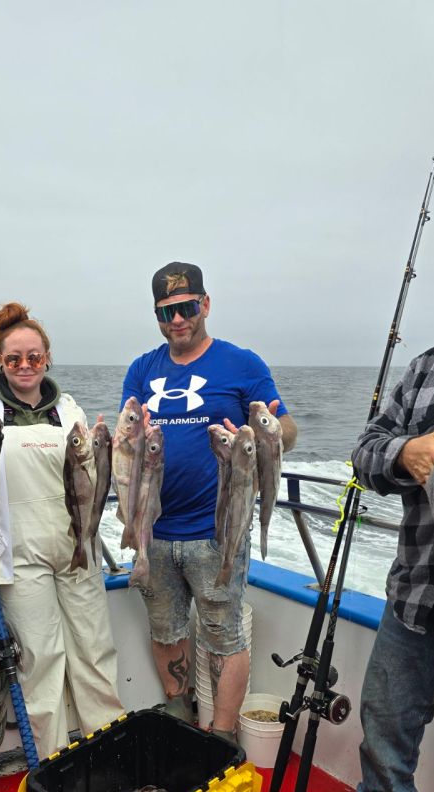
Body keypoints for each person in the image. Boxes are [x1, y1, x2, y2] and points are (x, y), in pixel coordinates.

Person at [323, 233, 434, 792]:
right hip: (413, 599)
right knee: (384, 730)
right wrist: (404, 452)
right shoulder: (429, 367)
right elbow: (364, 450)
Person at [0, 302, 124, 759]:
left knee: (95, 654)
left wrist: (120, 450)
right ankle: (54, 762)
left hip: (76, 544)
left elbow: (96, 478)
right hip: (15, 554)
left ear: (47, 359)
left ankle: (112, 751)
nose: (24, 366)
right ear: (0, 361)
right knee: (40, 664)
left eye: (34, 357)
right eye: (14, 358)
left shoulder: (69, 409)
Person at [121, 262, 297, 740]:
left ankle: (220, 736)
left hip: (216, 534)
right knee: (166, 632)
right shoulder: (142, 369)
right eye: (166, 311)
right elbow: (126, 439)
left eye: (186, 307)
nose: (177, 319)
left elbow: (287, 429)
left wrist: (270, 433)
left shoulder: (242, 365)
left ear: (206, 304)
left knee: (224, 639)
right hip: (153, 534)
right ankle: (180, 712)